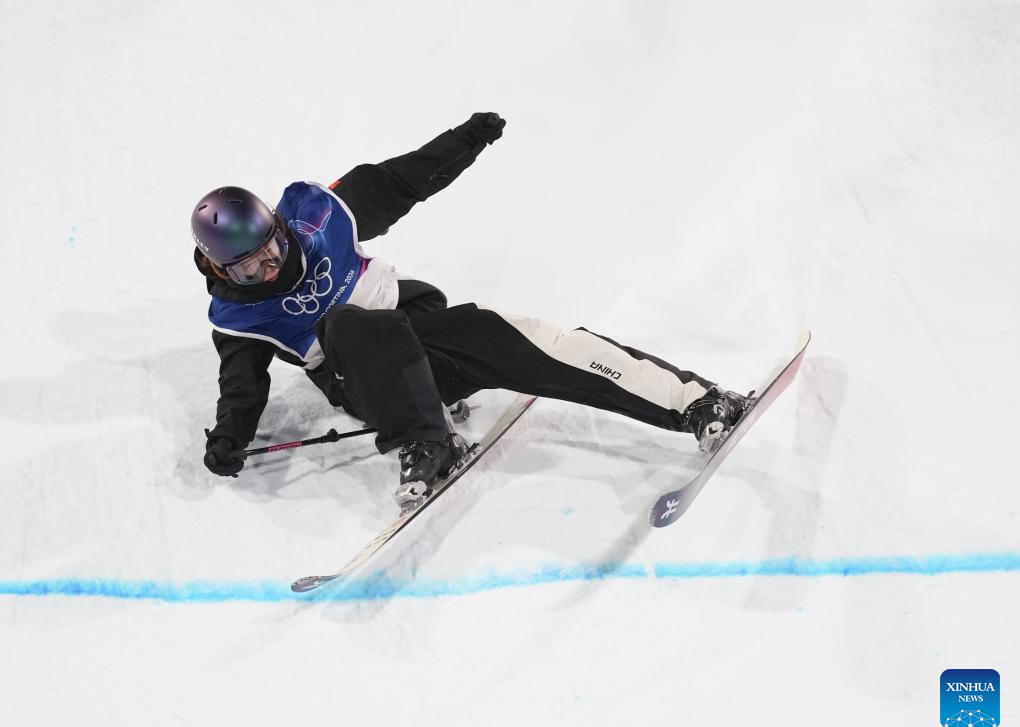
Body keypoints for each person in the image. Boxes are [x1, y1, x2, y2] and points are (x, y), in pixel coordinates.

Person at [195, 112, 750, 511]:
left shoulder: (321, 214)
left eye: (271, 251)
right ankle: (427, 441)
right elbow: (241, 387)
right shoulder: (238, 317)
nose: (268, 270)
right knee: (347, 323)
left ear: (279, 227)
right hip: (365, 383)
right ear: (222, 270)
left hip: (418, 341)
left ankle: (696, 402)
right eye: (248, 270)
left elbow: (401, 180)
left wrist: (467, 139)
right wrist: (228, 437)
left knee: (512, 336)